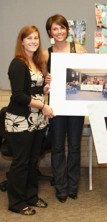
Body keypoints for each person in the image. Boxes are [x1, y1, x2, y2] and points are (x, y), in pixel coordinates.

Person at [5, 25, 54, 215]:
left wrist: (45, 90)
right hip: (21, 120)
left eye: (36, 38)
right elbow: (19, 96)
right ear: (22, 41)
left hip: (37, 120)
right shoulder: (18, 63)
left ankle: (31, 196)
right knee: (21, 161)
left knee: (33, 160)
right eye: (29, 38)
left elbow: (32, 90)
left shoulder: (35, 61)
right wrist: (43, 106)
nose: (33, 41)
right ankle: (16, 202)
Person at [43, 14, 87, 203]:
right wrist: (47, 82)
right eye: (55, 28)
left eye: (62, 27)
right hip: (57, 107)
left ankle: (73, 186)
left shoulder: (78, 49)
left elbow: (89, 74)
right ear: (49, 32)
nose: (59, 31)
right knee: (58, 147)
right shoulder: (46, 54)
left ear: (67, 30)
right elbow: (44, 81)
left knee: (75, 147)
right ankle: (60, 187)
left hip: (76, 105)